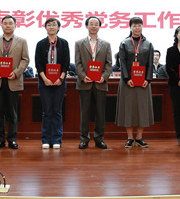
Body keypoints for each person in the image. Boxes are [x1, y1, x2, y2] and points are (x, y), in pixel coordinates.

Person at [0, 15, 29, 149]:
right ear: (1, 25)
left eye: (10, 23)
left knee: (12, 113)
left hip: (13, 80)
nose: (8, 25)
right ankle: (0, 139)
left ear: (15, 25)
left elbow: (25, 60)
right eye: (5, 23)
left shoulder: (22, 41)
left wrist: (16, 72)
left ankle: (12, 139)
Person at [115, 17, 154, 148]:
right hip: (128, 82)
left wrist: (148, 79)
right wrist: (127, 79)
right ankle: (130, 138)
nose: (137, 28)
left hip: (143, 82)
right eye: (134, 26)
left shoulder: (148, 43)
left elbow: (150, 63)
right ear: (130, 27)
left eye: (139, 25)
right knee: (129, 109)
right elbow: (122, 62)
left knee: (142, 109)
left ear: (142, 27)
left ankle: (139, 137)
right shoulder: (124, 43)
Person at [74, 16, 112, 149]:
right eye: (91, 24)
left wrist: (104, 77)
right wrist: (83, 76)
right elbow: (77, 63)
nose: (94, 26)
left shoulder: (106, 44)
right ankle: (84, 139)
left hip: (100, 83)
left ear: (99, 27)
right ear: (86, 26)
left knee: (100, 113)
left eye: (96, 24)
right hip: (85, 83)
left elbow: (109, 64)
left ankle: (99, 139)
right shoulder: (79, 43)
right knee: (85, 113)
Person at [34, 18, 70, 149]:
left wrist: (61, 78)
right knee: (47, 111)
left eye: (54, 25)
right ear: (45, 28)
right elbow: (38, 63)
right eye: (49, 25)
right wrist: (44, 79)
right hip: (44, 81)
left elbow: (66, 63)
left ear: (58, 27)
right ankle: (46, 139)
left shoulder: (64, 43)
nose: (51, 27)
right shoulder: (41, 43)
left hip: (60, 81)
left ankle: (56, 139)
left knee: (57, 110)